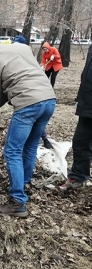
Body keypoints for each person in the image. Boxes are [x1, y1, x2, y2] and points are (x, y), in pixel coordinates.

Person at [0, 35, 56, 217]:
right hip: (49, 99)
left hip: (28, 104)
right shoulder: (21, 48)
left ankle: (18, 201)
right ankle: (24, 183)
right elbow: (17, 79)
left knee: (12, 151)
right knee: (30, 146)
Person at [59, 44, 92, 191]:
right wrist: (80, 98)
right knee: (80, 141)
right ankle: (78, 177)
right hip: (87, 104)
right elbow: (86, 77)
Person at [13, 35, 53, 149]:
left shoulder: (26, 56)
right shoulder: (22, 55)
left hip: (31, 92)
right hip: (24, 91)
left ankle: (43, 139)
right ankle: (39, 139)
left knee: (31, 117)